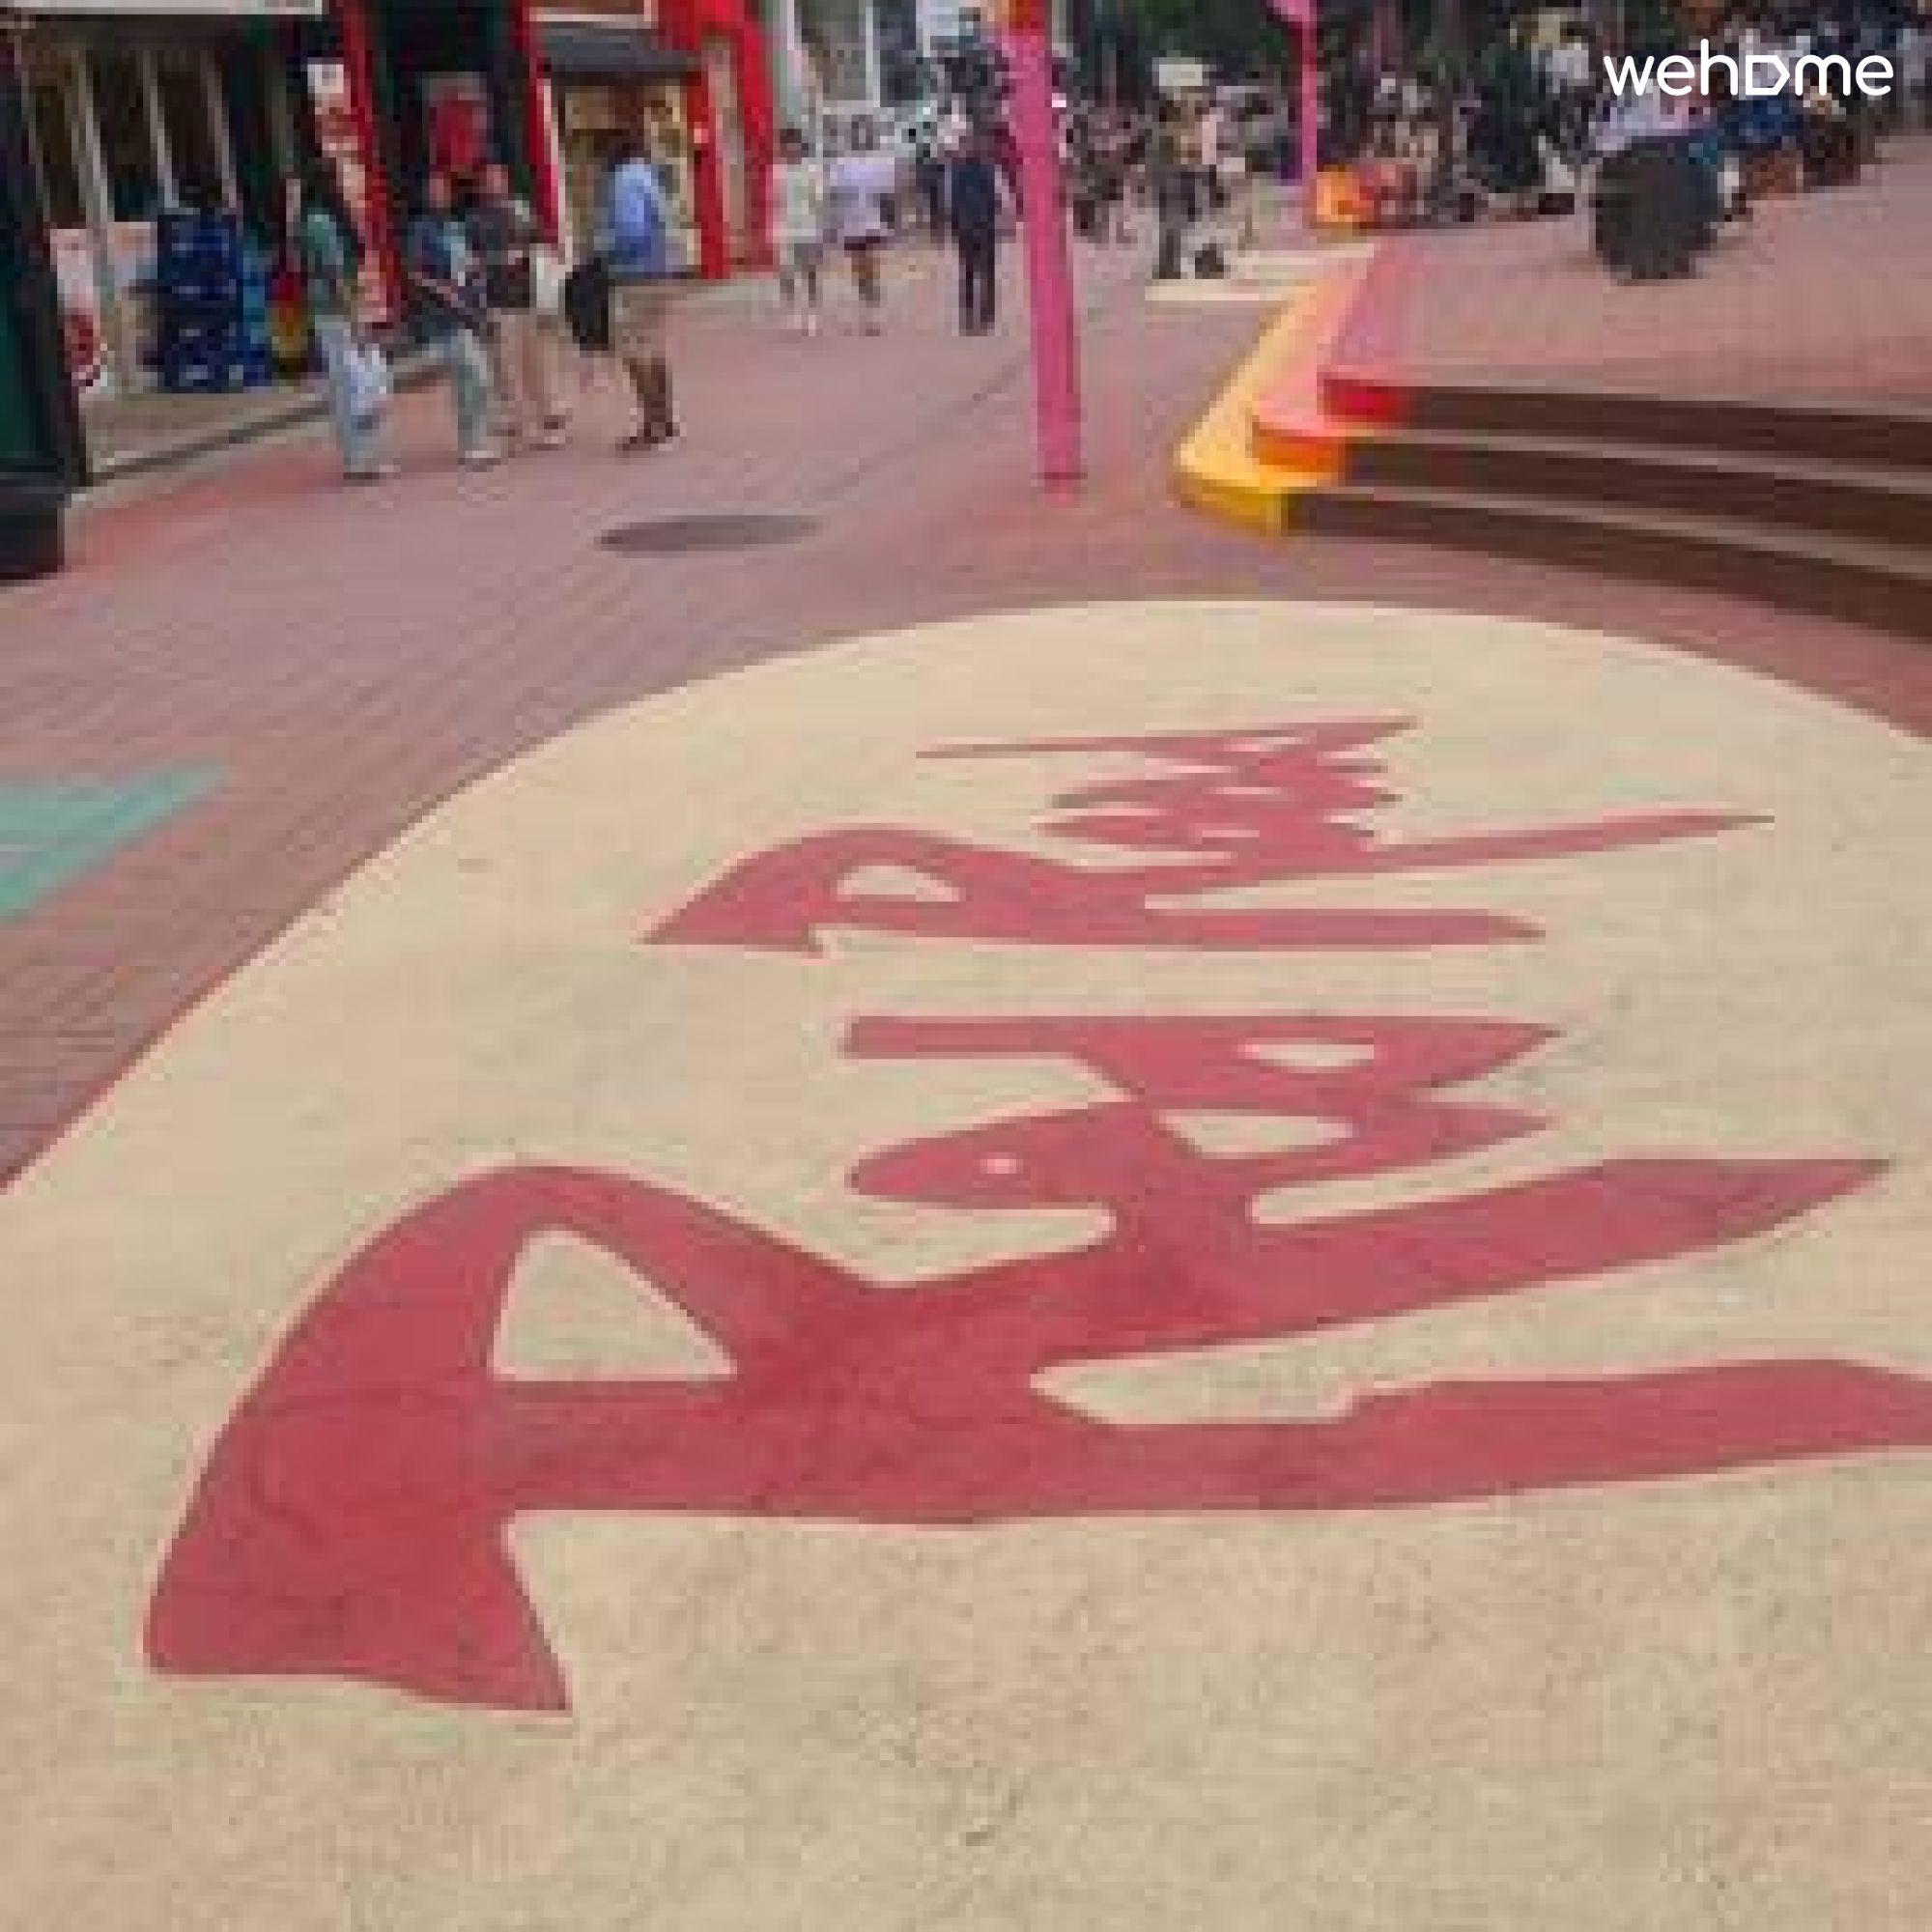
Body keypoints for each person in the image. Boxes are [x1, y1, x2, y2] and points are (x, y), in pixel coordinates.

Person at [296, 159, 392, 484]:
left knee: (348, 383)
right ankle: (359, 460)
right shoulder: (322, 222)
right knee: (352, 385)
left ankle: (361, 457)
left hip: (331, 309)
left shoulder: (313, 220)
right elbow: (336, 274)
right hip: (337, 310)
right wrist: (356, 319)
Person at [405, 170, 499, 468]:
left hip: (468, 309)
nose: (440, 196)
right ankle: (474, 442)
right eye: (434, 191)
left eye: (444, 191)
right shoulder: (421, 230)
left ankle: (471, 443)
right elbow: (415, 273)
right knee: (478, 376)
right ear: (426, 196)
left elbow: (468, 263)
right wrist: (443, 290)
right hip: (444, 314)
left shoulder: (455, 227)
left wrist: (476, 274)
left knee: (465, 380)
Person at [469, 159, 564, 451]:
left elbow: (542, 240)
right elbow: (470, 263)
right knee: (507, 369)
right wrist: (500, 260)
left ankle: (549, 423)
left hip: (530, 298)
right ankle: (517, 429)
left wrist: (547, 251)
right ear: (481, 186)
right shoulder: (475, 221)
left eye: (501, 177)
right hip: (500, 302)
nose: (497, 183)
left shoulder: (521, 210)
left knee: (539, 365)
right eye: (491, 179)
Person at [604, 129, 677, 452]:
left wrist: (606, 249)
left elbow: (632, 232)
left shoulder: (623, 181)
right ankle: (667, 422)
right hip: (659, 272)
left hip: (634, 277)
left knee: (634, 352)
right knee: (656, 348)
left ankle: (653, 426)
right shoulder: (648, 176)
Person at [829, 115, 895, 331]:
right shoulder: (842, 162)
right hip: (851, 221)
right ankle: (864, 306)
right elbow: (834, 193)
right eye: (857, 131)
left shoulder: (882, 161)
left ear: (871, 134)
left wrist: (891, 222)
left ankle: (874, 311)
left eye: (865, 131)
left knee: (870, 263)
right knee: (858, 267)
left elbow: (888, 195)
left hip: (873, 220)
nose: (861, 136)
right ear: (851, 135)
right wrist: (834, 222)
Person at [769, 125, 828, 336]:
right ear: (782, 147)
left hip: (808, 226)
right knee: (785, 271)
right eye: (787, 144)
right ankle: (792, 312)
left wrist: (821, 229)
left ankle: (812, 314)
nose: (791, 148)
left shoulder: (812, 169)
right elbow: (774, 200)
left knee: (809, 271)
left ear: (801, 145)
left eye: (794, 144)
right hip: (783, 226)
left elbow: (819, 200)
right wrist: (773, 228)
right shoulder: (776, 171)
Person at [949, 124, 1003, 335]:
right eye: (964, 144)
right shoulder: (961, 170)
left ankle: (983, 317)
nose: (966, 148)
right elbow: (952, 201)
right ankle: (970, 317)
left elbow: (995, 196)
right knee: (970, 273)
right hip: (970, 227)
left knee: (982, 272)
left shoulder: (983, 168)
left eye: (968, 143)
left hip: (982, 226)